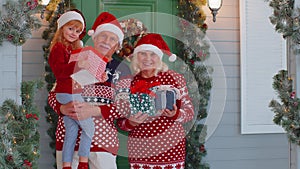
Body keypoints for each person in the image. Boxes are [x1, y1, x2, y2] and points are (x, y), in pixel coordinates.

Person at [48, 12, 131, 169]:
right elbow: (55, 93)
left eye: (112, 38)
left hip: (103, 144)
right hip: (69, 144)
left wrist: (95, 110)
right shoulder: (77, 56)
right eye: (103, 36)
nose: (106, 41)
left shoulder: (122, 69)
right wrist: (62, 108)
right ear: (94, 38)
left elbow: (124, 107)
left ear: (118, 45)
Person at [116, 33, 195, 169]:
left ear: (159, 58)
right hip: (140, 151)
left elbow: (189, 112)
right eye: (143, 54)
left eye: (152, 54)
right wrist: (130, 122)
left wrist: (175, 115)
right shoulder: (127, 82)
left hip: (171, 151)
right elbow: (121, 123)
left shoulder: (174, 78)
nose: (147, 59)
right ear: (136, 57)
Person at [48, 10, 97, 169]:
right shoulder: (58, 48)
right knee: (89, 127)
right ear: (62, 27)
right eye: (70, 28)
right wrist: (77, 65)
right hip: (67, 93)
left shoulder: (73, 49)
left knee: (71, 131)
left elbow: (76, 73)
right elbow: (60, 73)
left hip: (72, 91)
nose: (74, 33)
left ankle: (67, 165)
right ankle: (83, 162)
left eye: (77, 31)